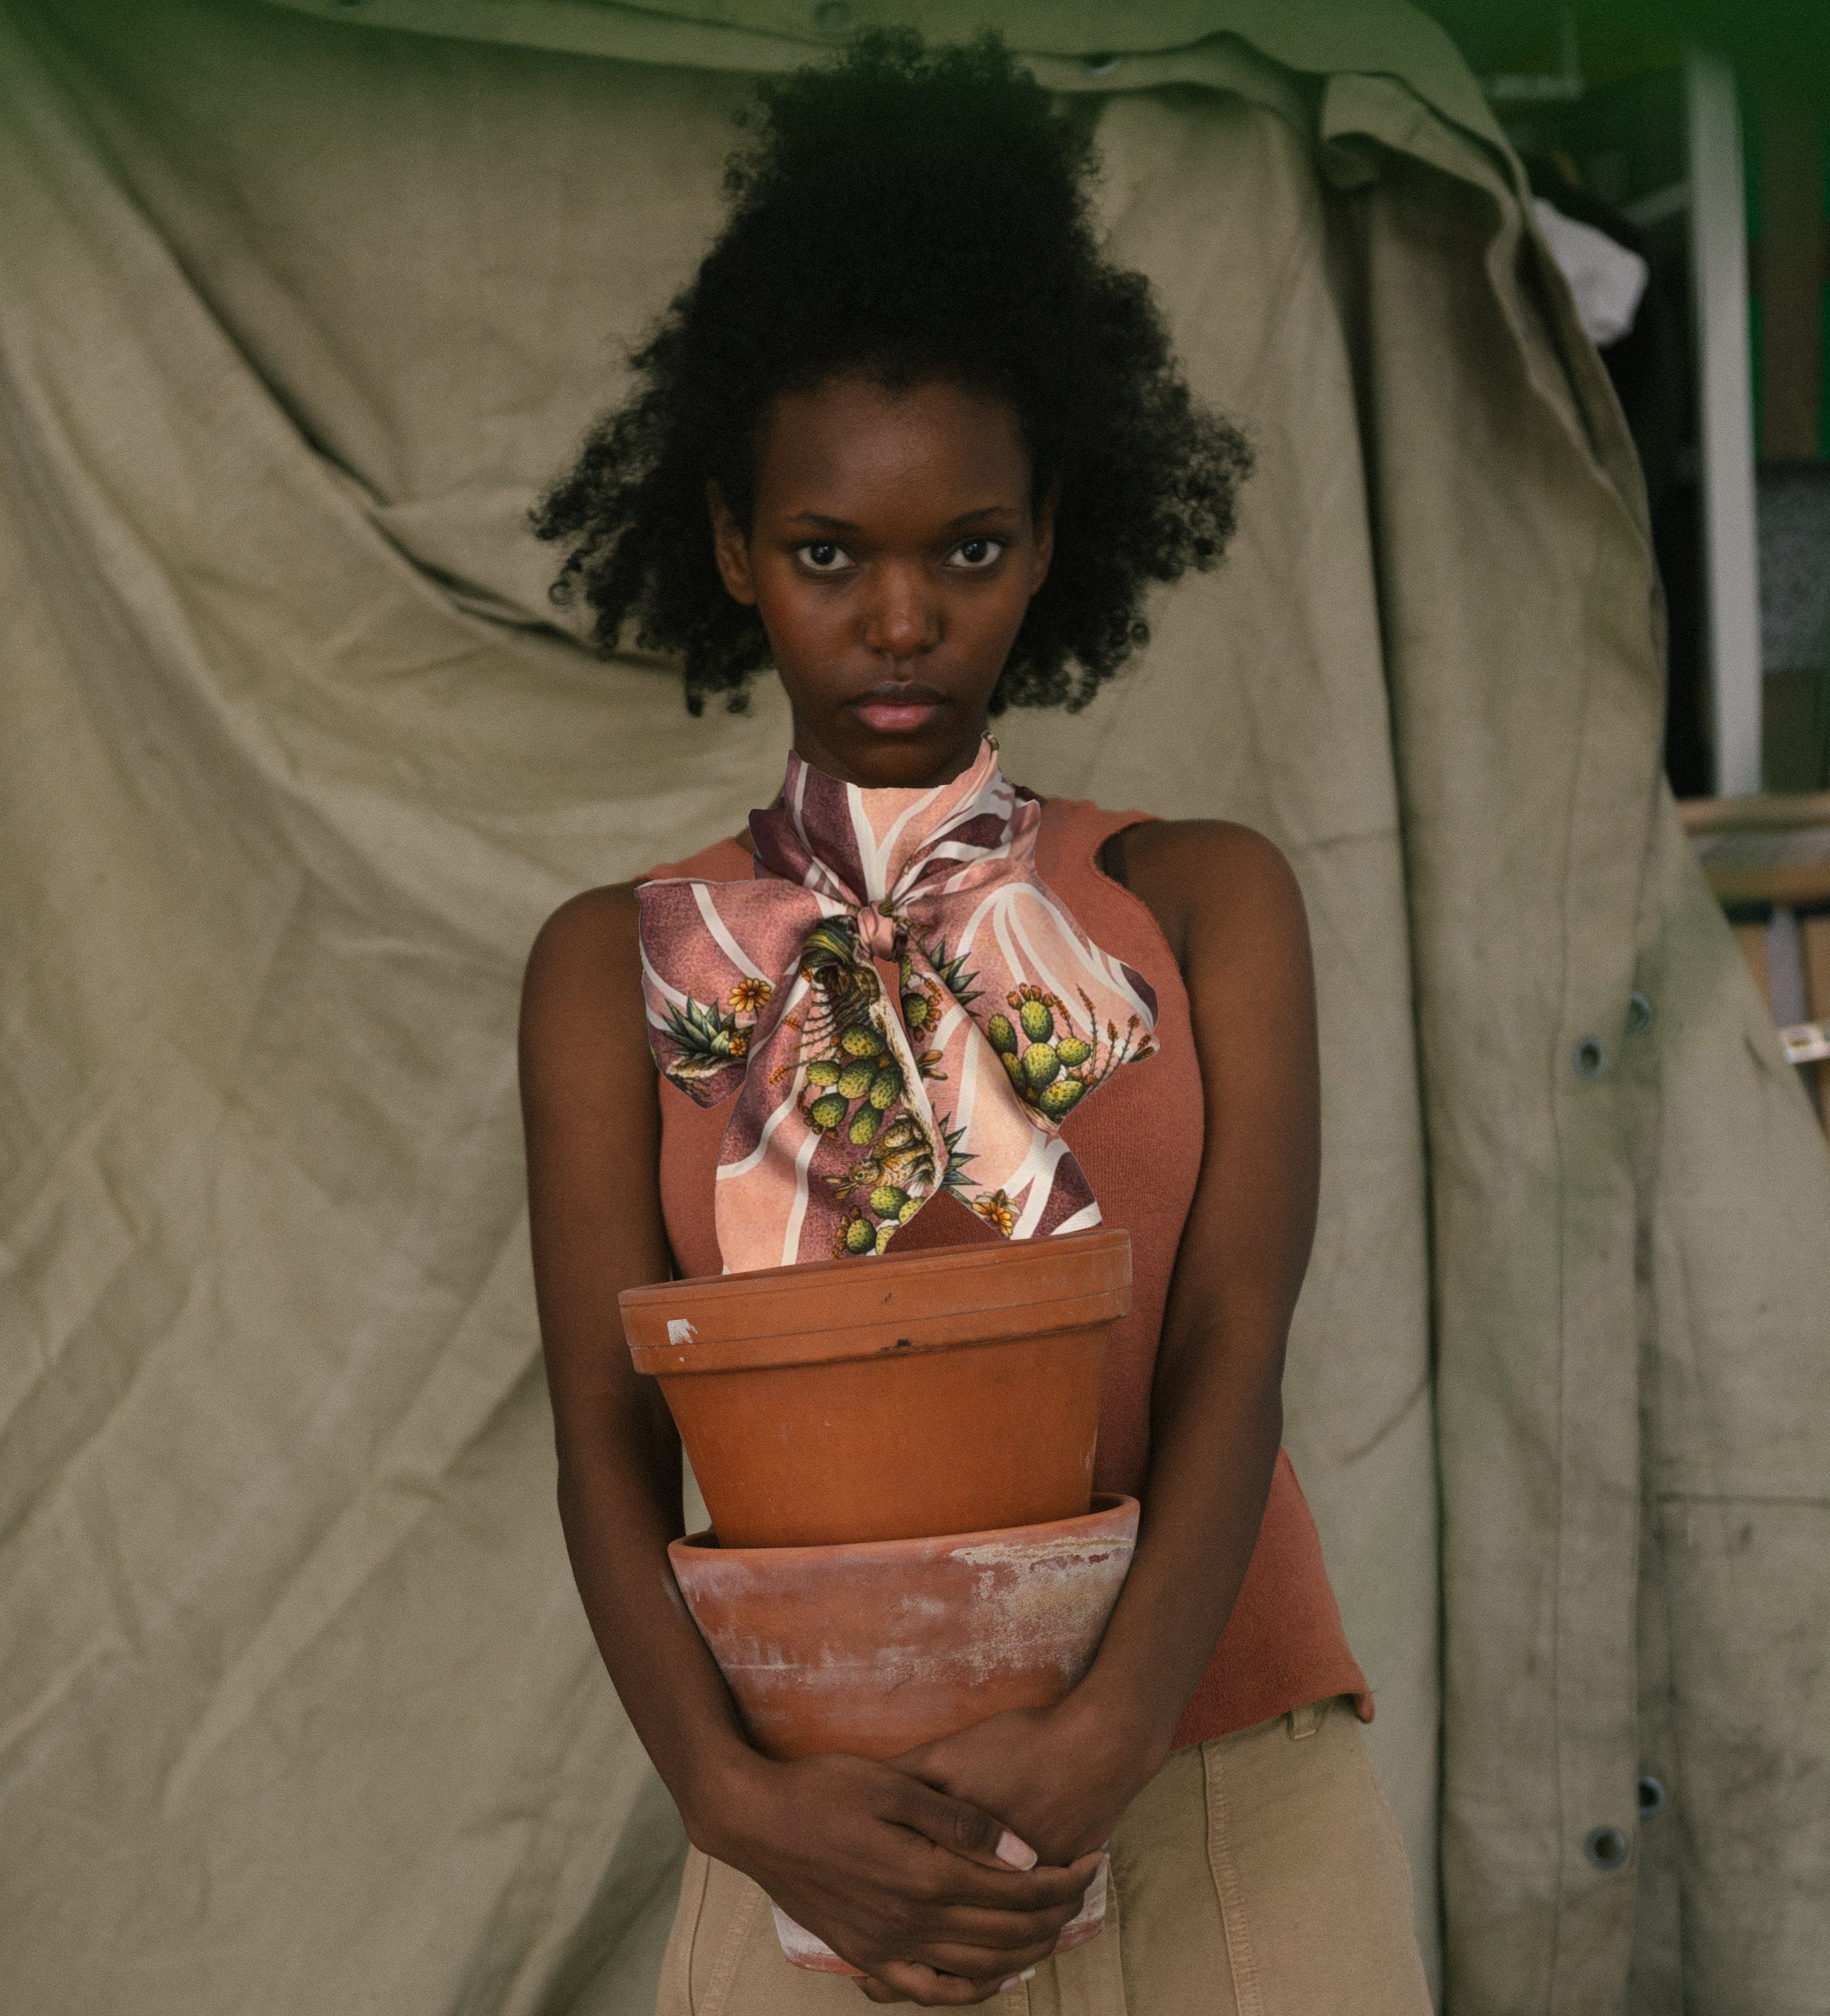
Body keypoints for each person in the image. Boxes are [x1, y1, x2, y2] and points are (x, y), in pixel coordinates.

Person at [519, 32, 1430, 2012]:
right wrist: (729, 1797)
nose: (902, 619)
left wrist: (1104, 1741)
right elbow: (602, 1443)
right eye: (832, 553)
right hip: (815, 1839)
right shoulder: (613, 967)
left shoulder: (1199, 900)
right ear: (735, 550)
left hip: (1209, 1782)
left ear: (1052, 543)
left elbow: (1232, 1337)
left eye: (970, 550)